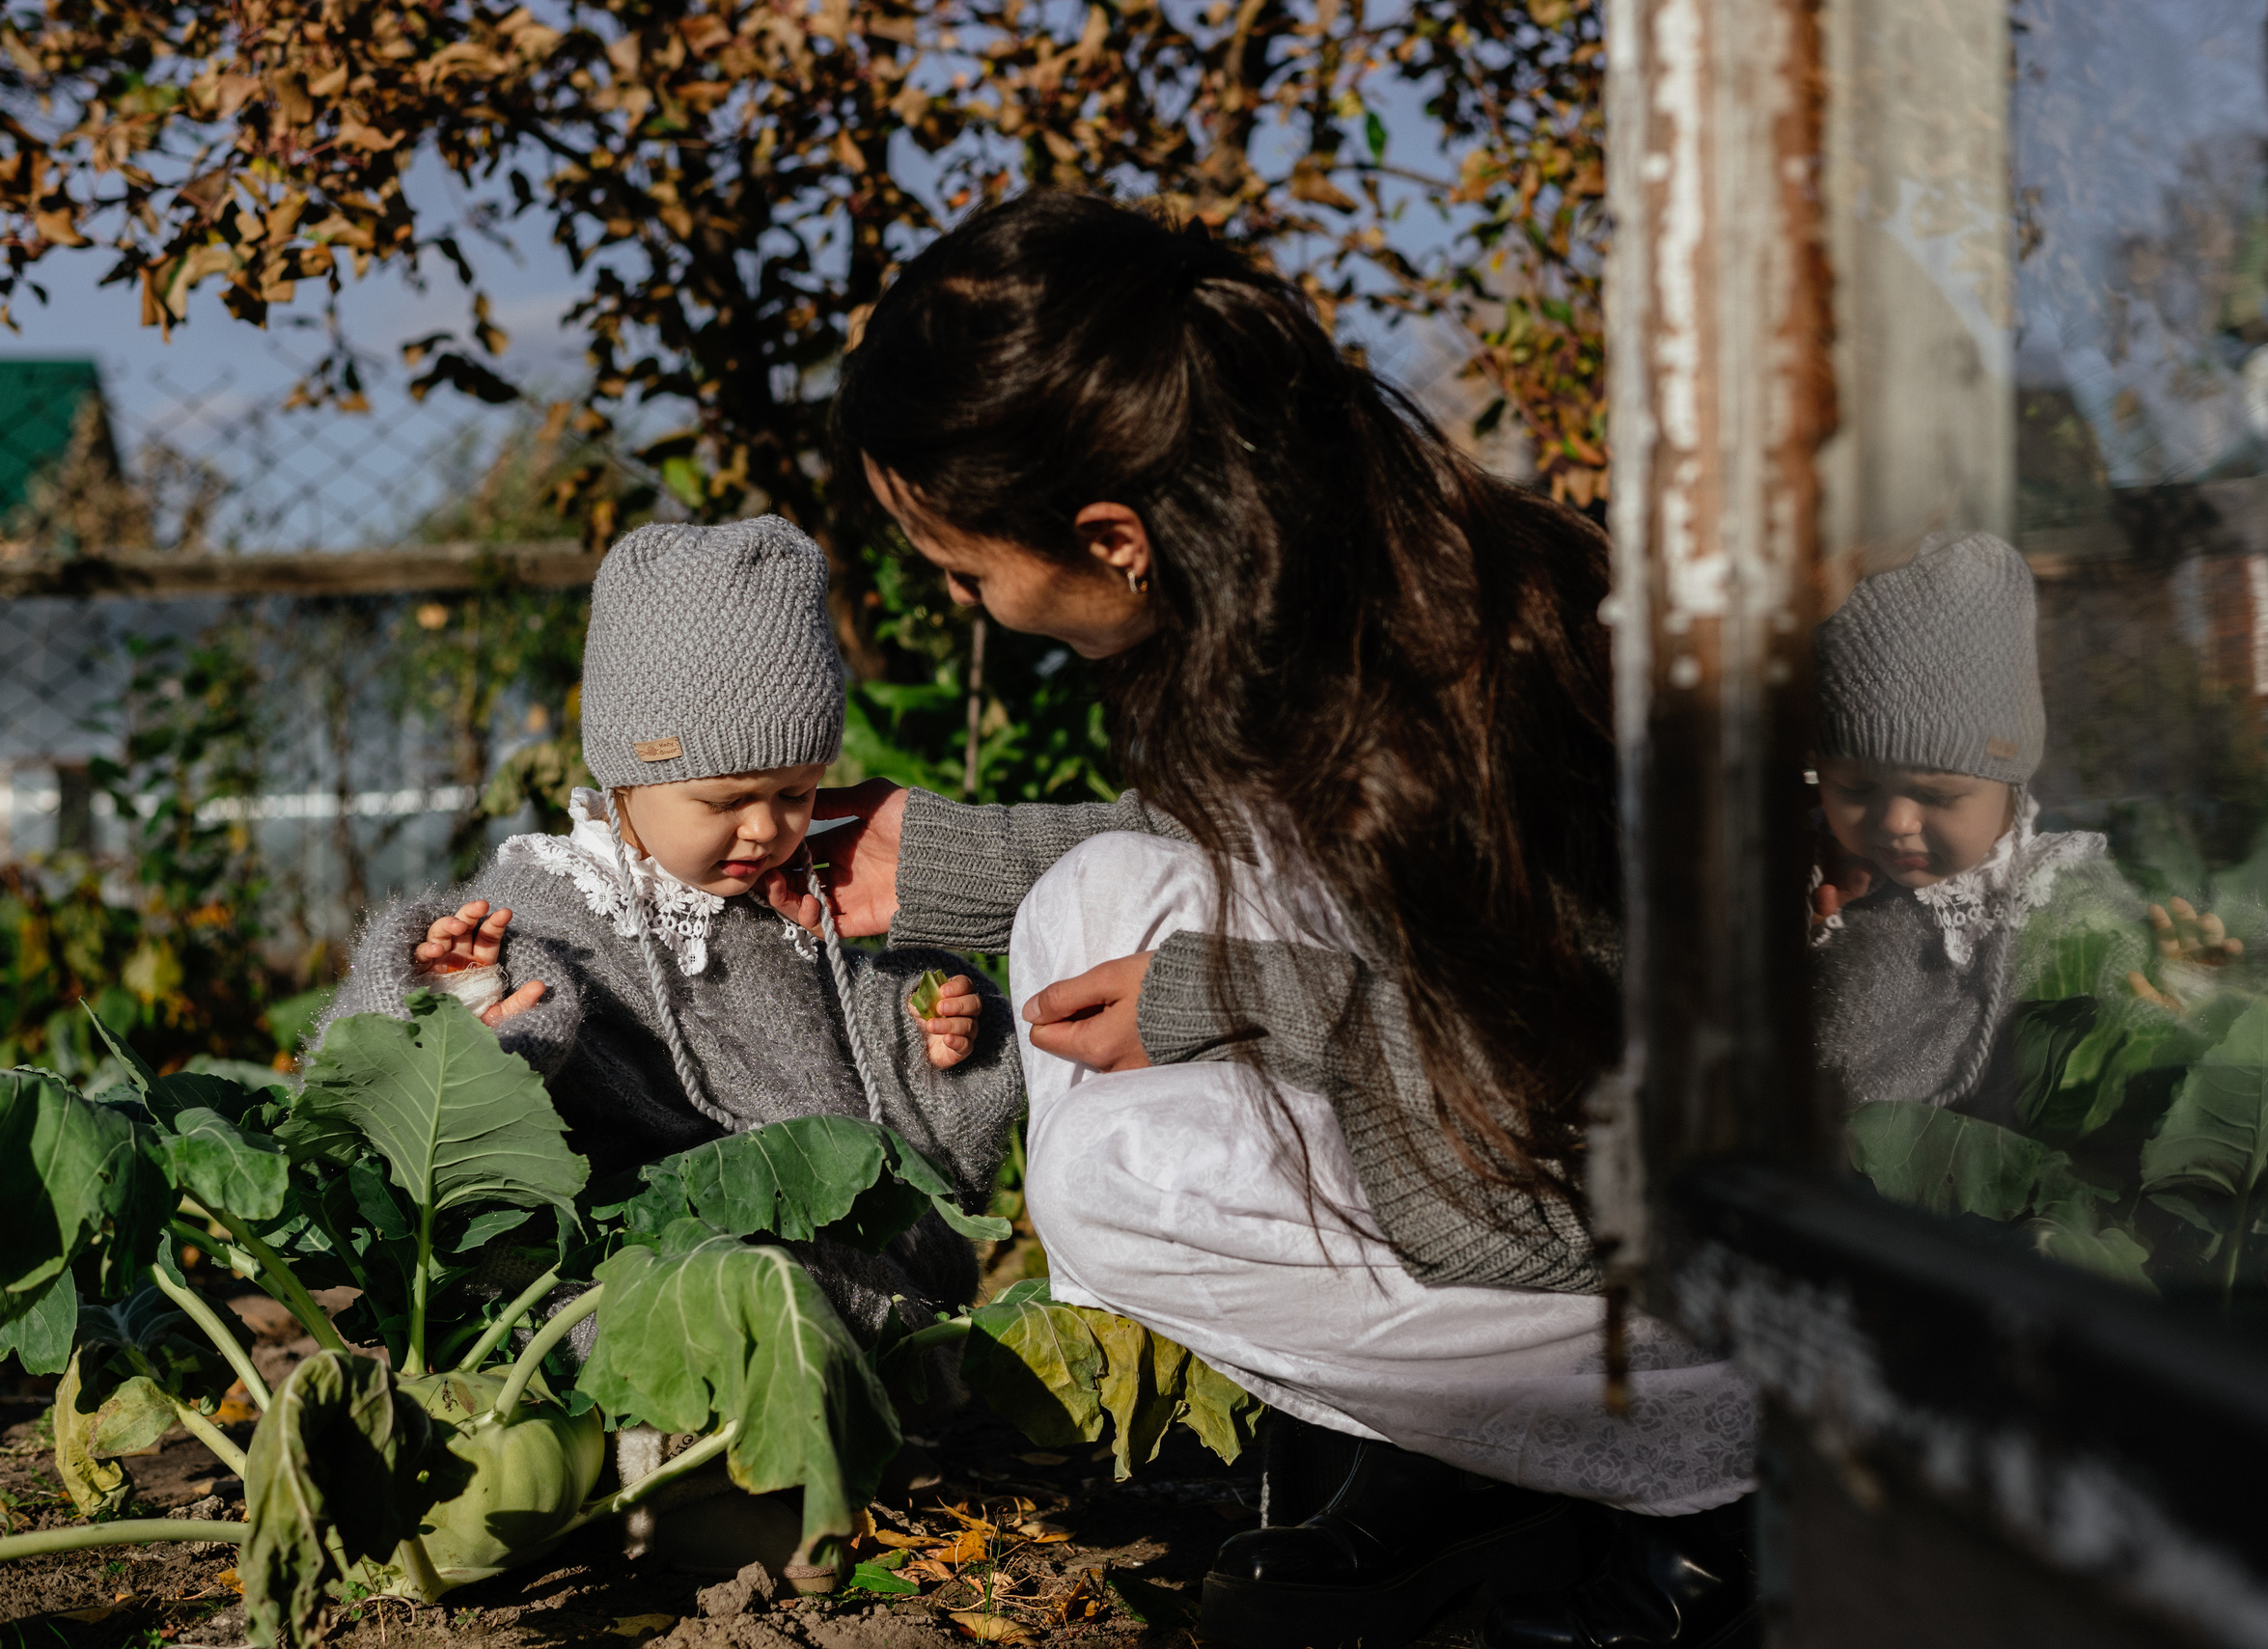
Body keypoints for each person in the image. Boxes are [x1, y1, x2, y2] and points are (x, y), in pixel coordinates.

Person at [791, 192, 1760, 1649]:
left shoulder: (1441, 715)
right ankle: (1443, 1463)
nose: (964, 603)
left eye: (966, 566)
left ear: (1112, 537)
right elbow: (1236, 851)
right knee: (1091, 897)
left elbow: (1542, 1116)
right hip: (1500, 1164)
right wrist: (956, 861)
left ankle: (1655, 1482)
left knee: (1112, 1200)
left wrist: (1217, 997)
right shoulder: (1335, 611)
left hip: (1664, 1268)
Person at [321, 517, 1022, 1570]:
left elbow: (912, 1105)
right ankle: (685, 1485)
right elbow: (408, 1072)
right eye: (723, 798)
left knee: (820, 1295)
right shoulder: (550, 904)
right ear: (622, 779)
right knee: (681, 1302)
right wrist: (469, 1000)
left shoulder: (826, 896)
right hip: (631, 1261)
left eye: (794, 792)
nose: (764, 829)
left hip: (832, 1254)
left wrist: (944, 1039)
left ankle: (813, 1443)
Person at [1807, 529, 2241, 1119]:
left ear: (2010, 784)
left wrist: (2182, 983)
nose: (1895, 820)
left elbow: (2113, 1017)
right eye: (1854, 789)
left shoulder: (2059, 894)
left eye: (1939, 795)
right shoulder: (1821, 874)